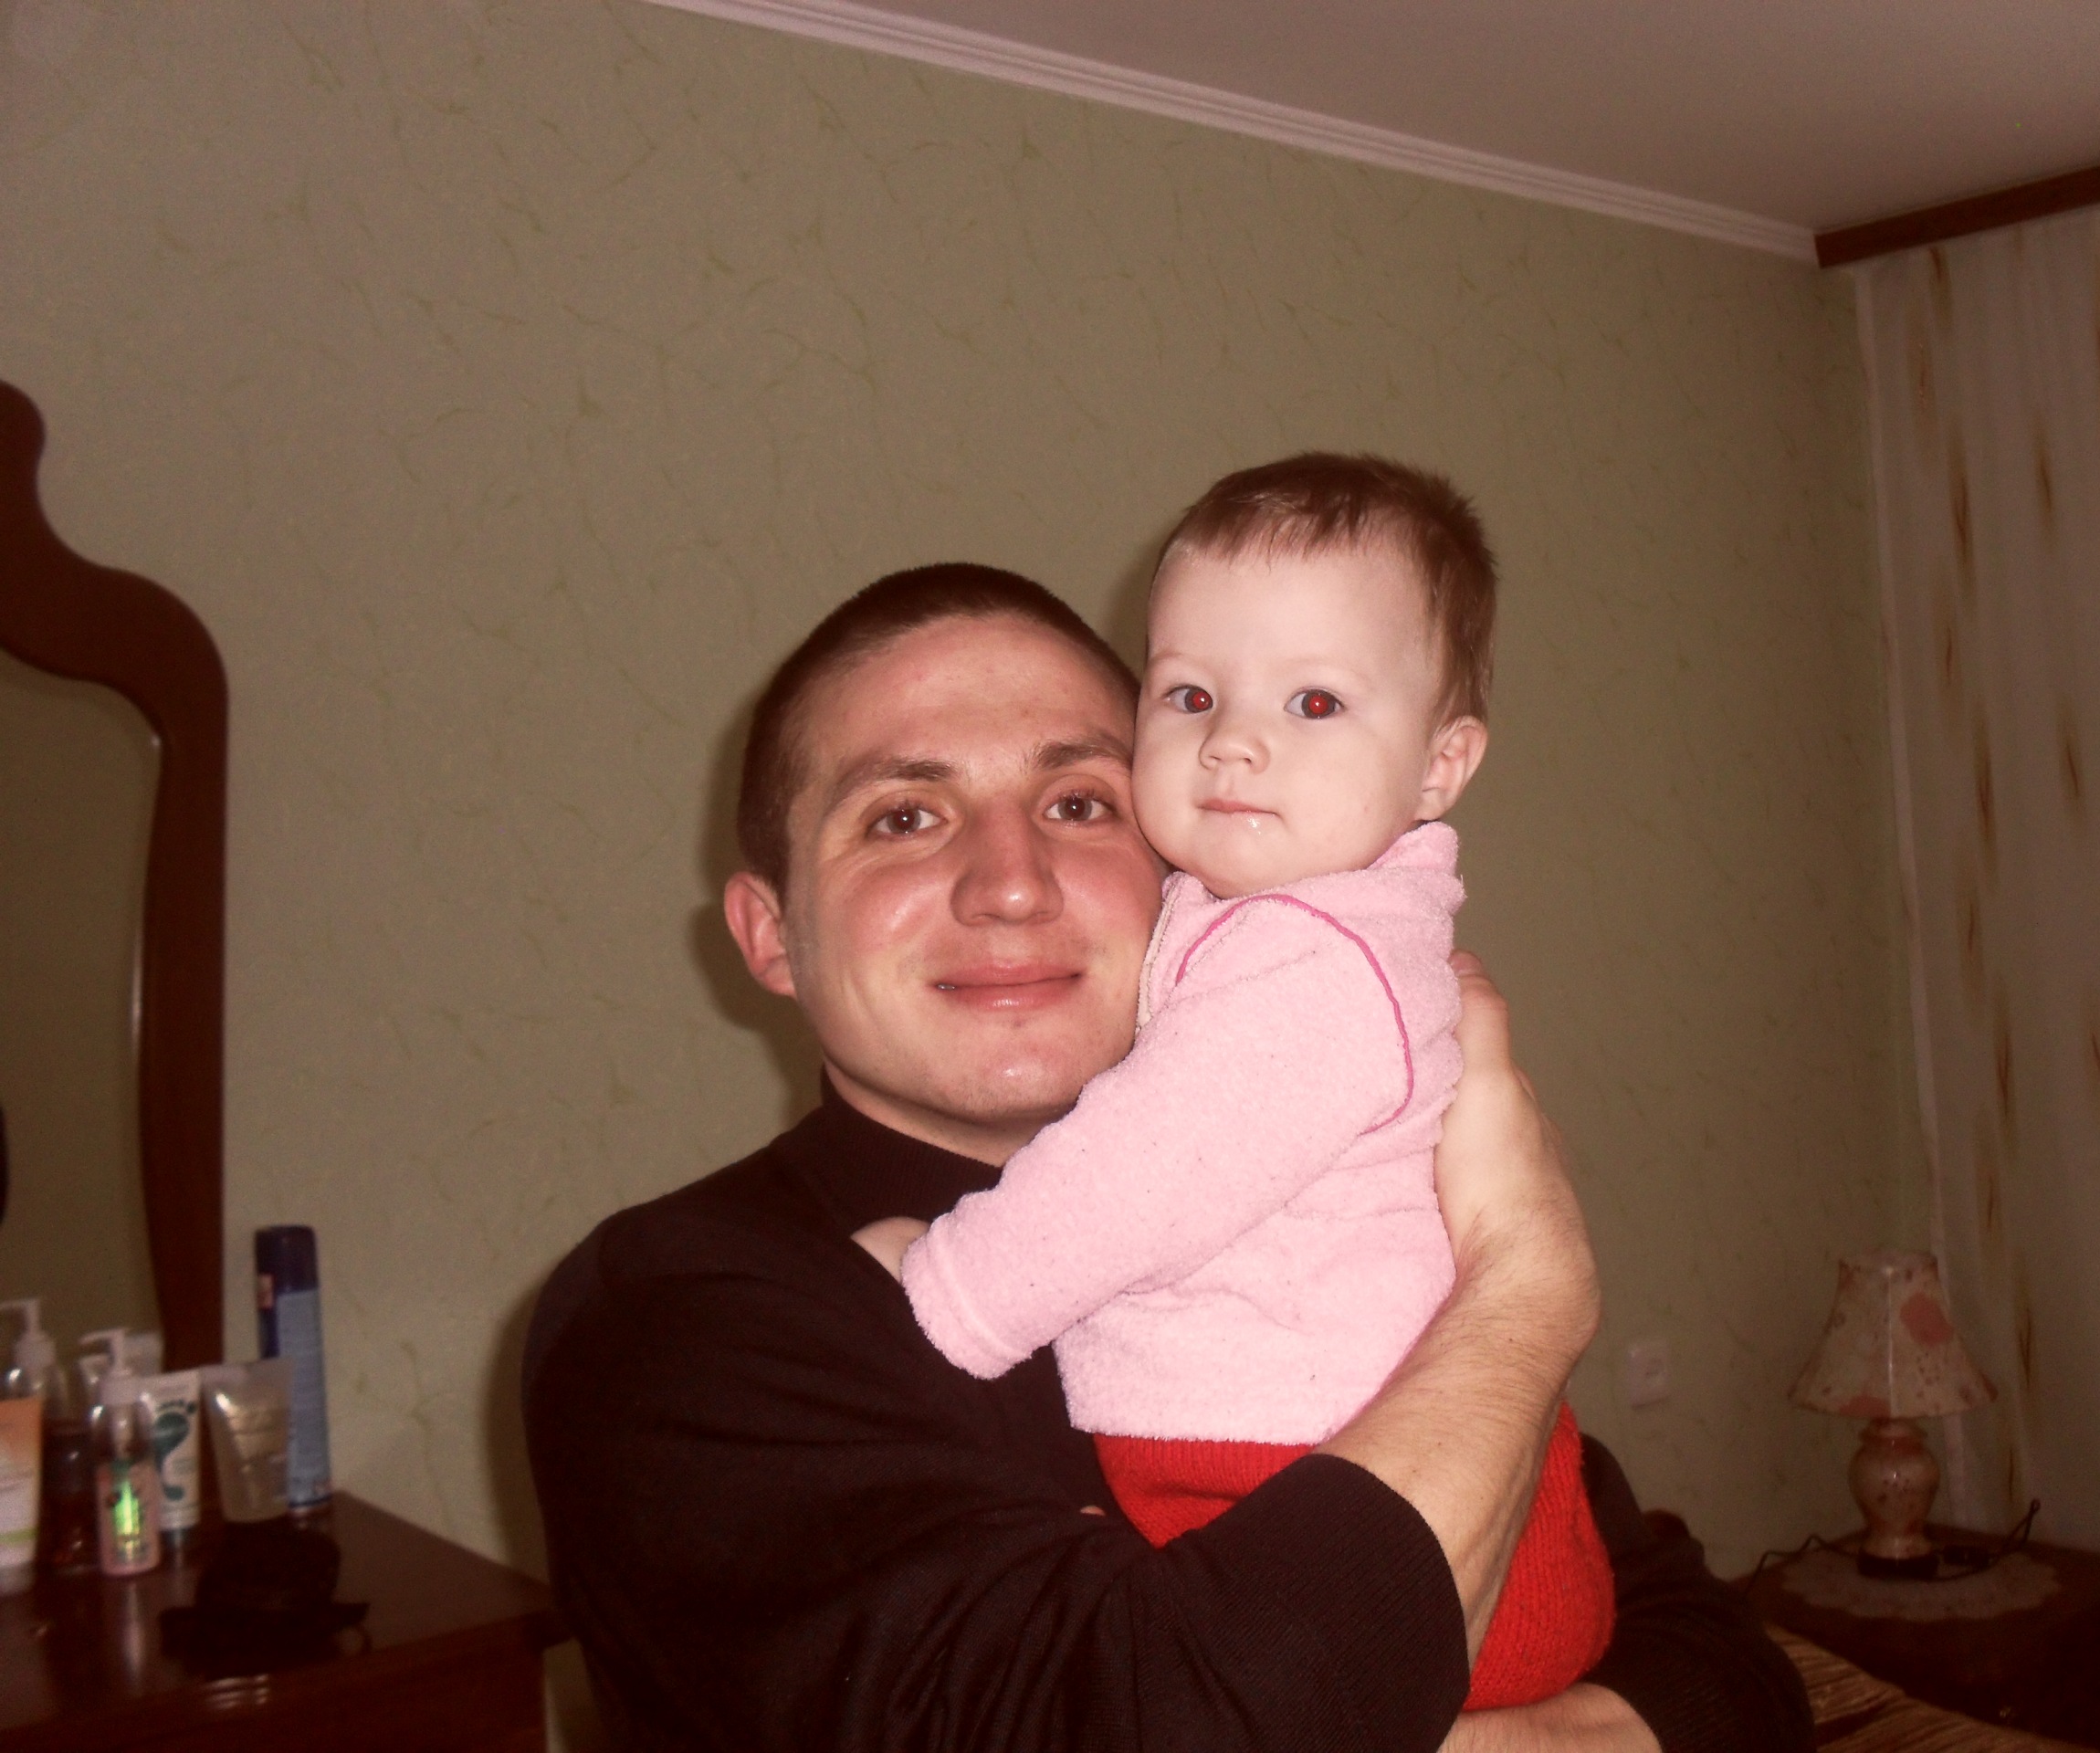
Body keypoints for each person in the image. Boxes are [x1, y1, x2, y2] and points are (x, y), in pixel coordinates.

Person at [523, 560, 1812, 1752]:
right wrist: (1529, 1296)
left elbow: (1729, 1673)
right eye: (905, 816)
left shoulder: (1340, 1213)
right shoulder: (676, 1319)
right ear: (770, 933)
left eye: (1081, 803)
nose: (1012, 883)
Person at [887, 457, 1611, 1712]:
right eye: (1189, 693)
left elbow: (1141, 1170)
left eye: (1315, 701)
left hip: (1341, 1499)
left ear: (1440, 766)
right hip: (1310, 1489)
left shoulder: (1320, 965)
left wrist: (952, 1285)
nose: (1232, 740)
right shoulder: (1260, 925)